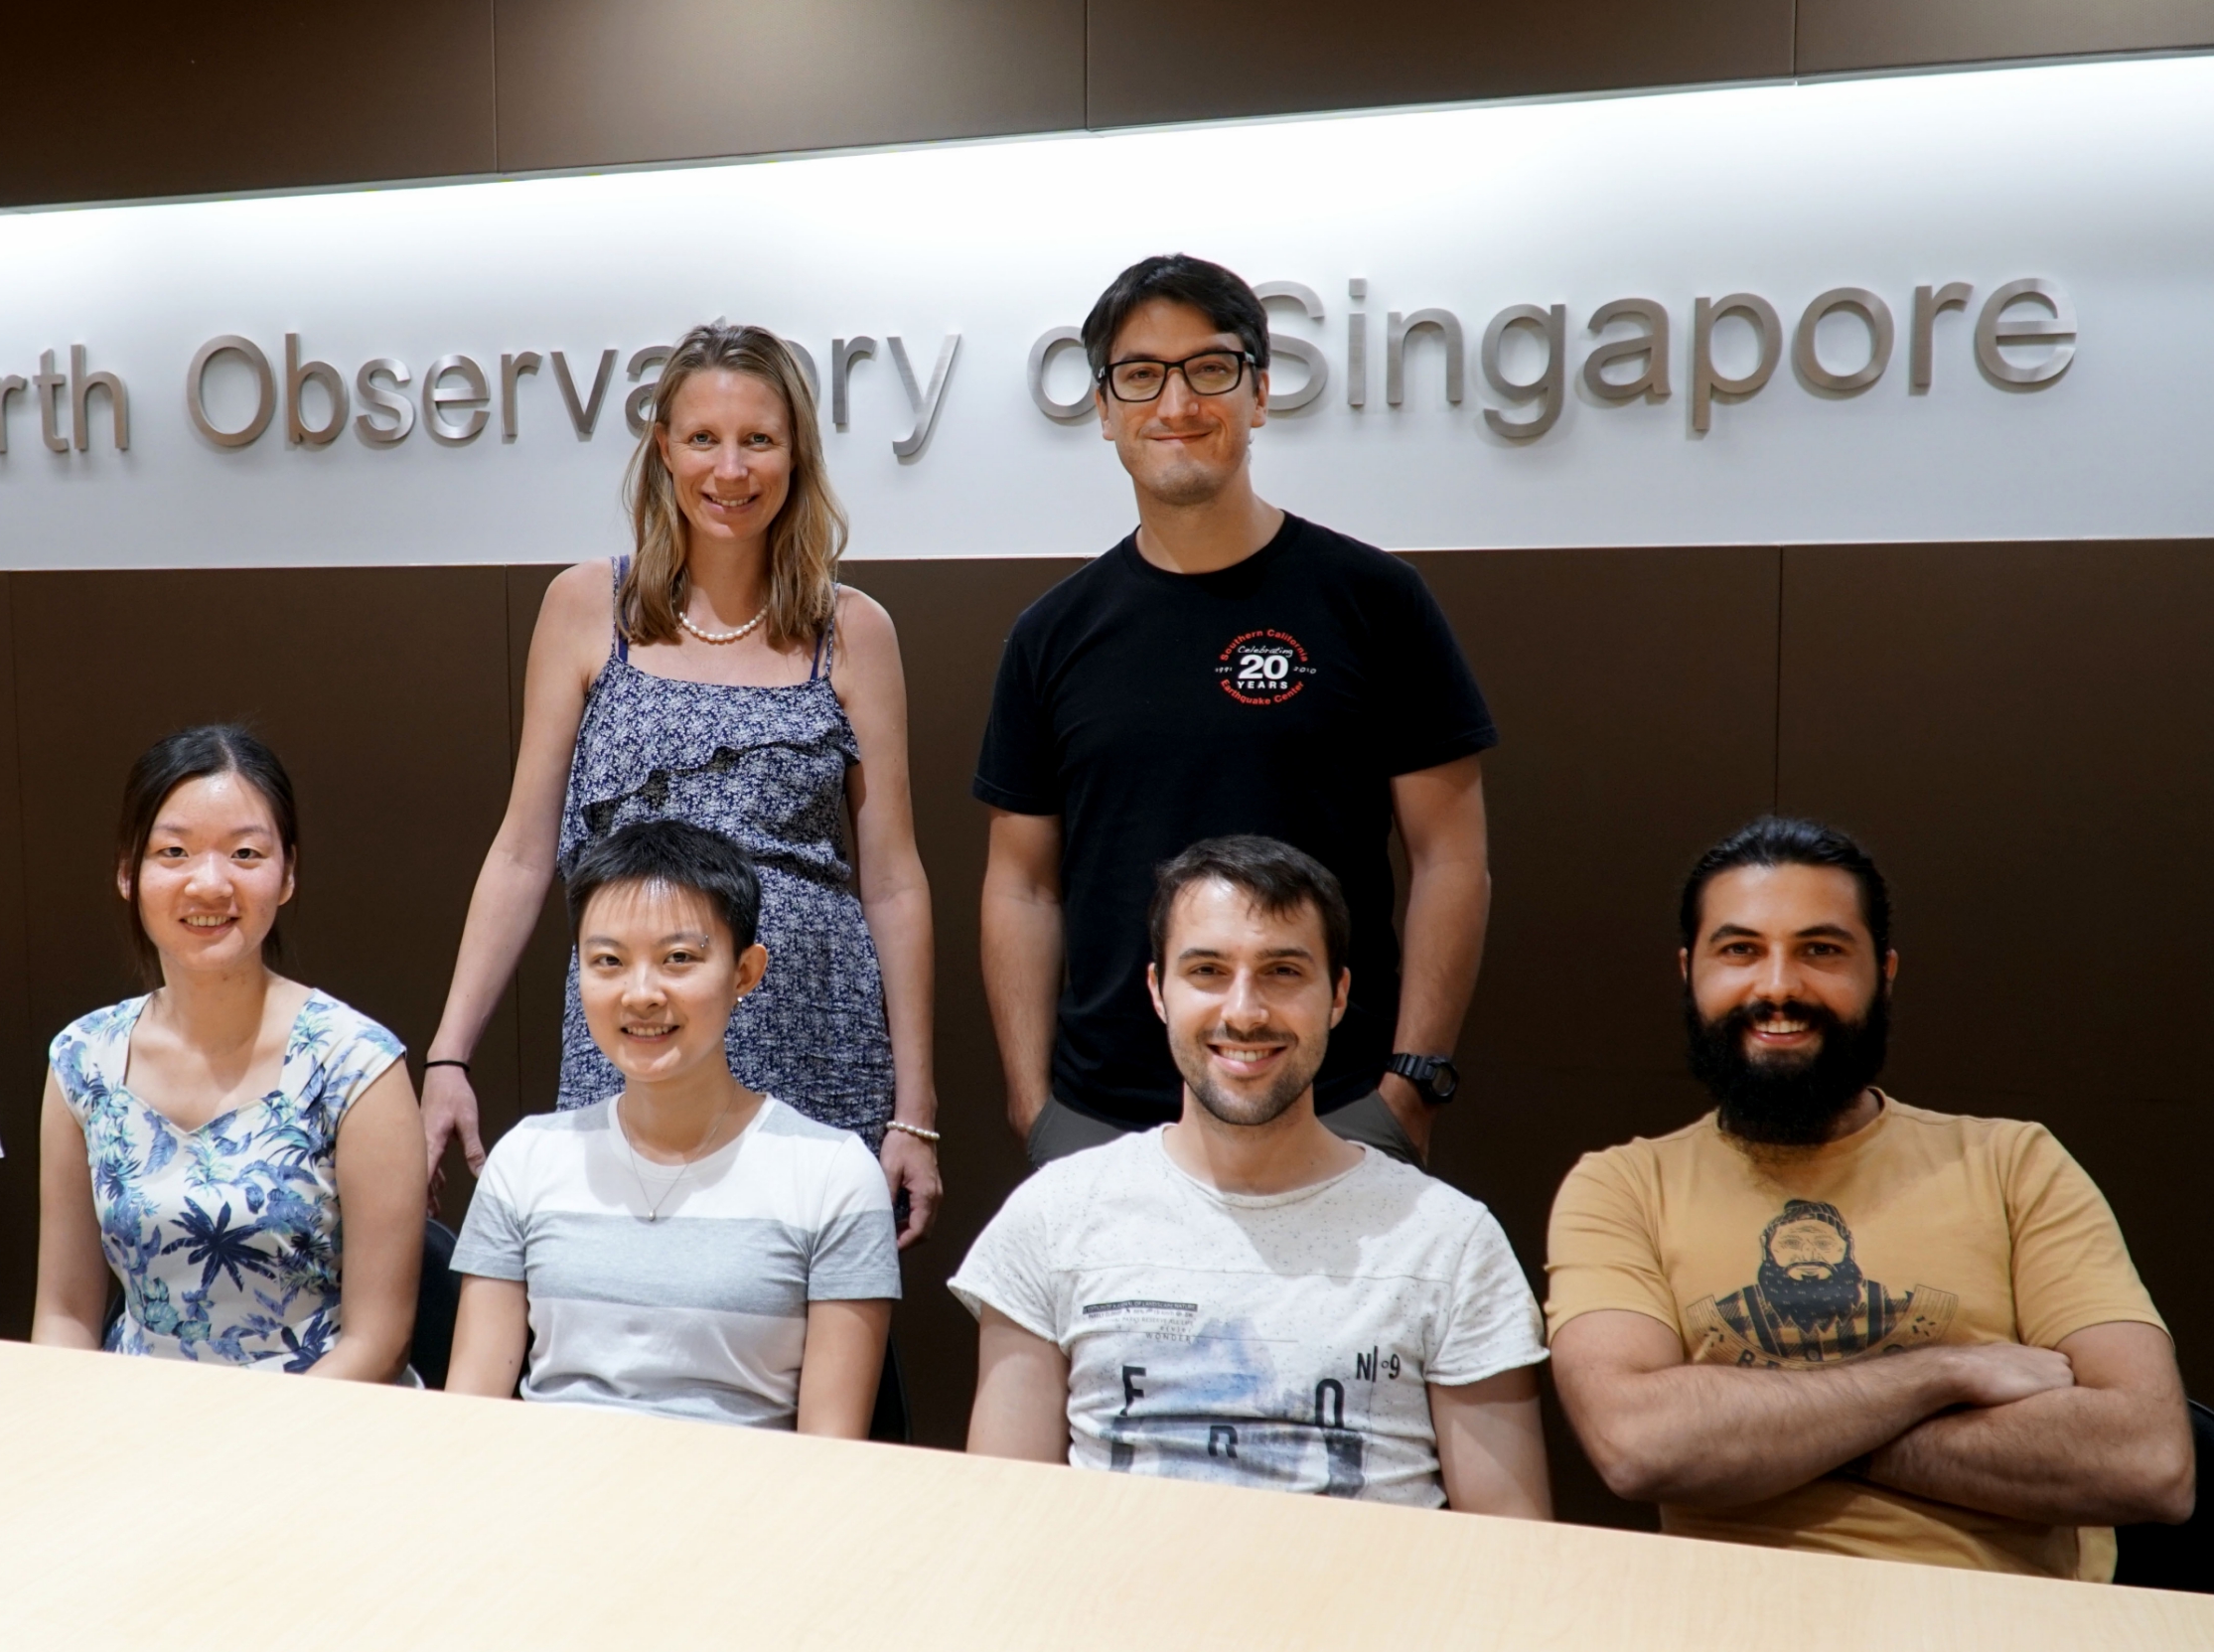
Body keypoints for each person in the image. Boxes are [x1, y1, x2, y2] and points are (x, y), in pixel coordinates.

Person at [1545, 817, 2193, 1578]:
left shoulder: (2016, 1163)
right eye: (1740, 950)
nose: (1779, 985)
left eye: (1821, 950)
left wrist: (1763, 1434)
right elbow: (1639, 1443)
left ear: (1883, 972)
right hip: (1731, 1619)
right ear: (1689, 971)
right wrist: (1943, 1376)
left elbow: (2149, 1458)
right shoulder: (1621, 1187)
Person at [418, 322, 944, 1244]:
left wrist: (915, 1107)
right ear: (663, 448)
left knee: (805, 1329)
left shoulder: (851, 629)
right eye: (703, 438)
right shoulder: (588, 606)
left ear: (798, 454)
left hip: (812, 1023)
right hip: (636, 1019)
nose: (730, 470)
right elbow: (521, 848)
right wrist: (448, 1052)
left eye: (759, 440)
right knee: (615, 1299)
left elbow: (893, 878)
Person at [978, 254, 1494, 1170]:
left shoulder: (1375, 600)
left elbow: (1449, 855)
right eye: (1140, 376)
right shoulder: (1051, 633)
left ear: (1259, 392)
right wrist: (1035, 1105)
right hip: (1107, 1122)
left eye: (1209, 368)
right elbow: (1023, 885)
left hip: (1332, 1109)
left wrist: (1409, 1082)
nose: (1176, 402)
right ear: (1103, 410)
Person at [955, 835, 1550, 1513]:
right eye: (1207, 970)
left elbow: (1510, 1554)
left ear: (1338, 995)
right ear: (1157, 991)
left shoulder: (1450, 1241)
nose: (1244, 1011)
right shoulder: (1052, 1217)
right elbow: (1000, 1522)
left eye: (1283, 971)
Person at [446, 820, 900, 1433]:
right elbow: (469, 1420)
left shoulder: (833, 1174)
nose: (641, 994)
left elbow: (831, 1452)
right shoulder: (526, 1159)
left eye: (678, 959)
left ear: (745, 972)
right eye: (607, 961)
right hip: (549, 1507)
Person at [32, 726, 424, 1378]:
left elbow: (379, 1339)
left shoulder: (355, 1062)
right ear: (128, 872)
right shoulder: (83, 1058)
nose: (209, 884)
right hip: (135, 1420)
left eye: (244, 853)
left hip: (317, 1425)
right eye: (175, 852)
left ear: (288, 872)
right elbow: (65, 1313)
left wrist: (247, 1450)